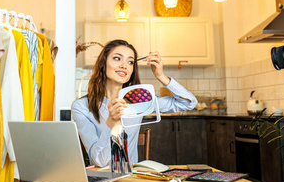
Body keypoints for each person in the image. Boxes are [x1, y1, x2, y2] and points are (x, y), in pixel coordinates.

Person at [71, 39, 197, 167]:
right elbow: (100, 161)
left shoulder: (139, 101)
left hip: (131, 179)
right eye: (117, 58)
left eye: (130, 61)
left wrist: (160, 76)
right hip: (101, 180)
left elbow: (188, 103)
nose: (124, 65)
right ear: (103, 63)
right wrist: (111, 122)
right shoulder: (81, 107)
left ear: (132, 70)